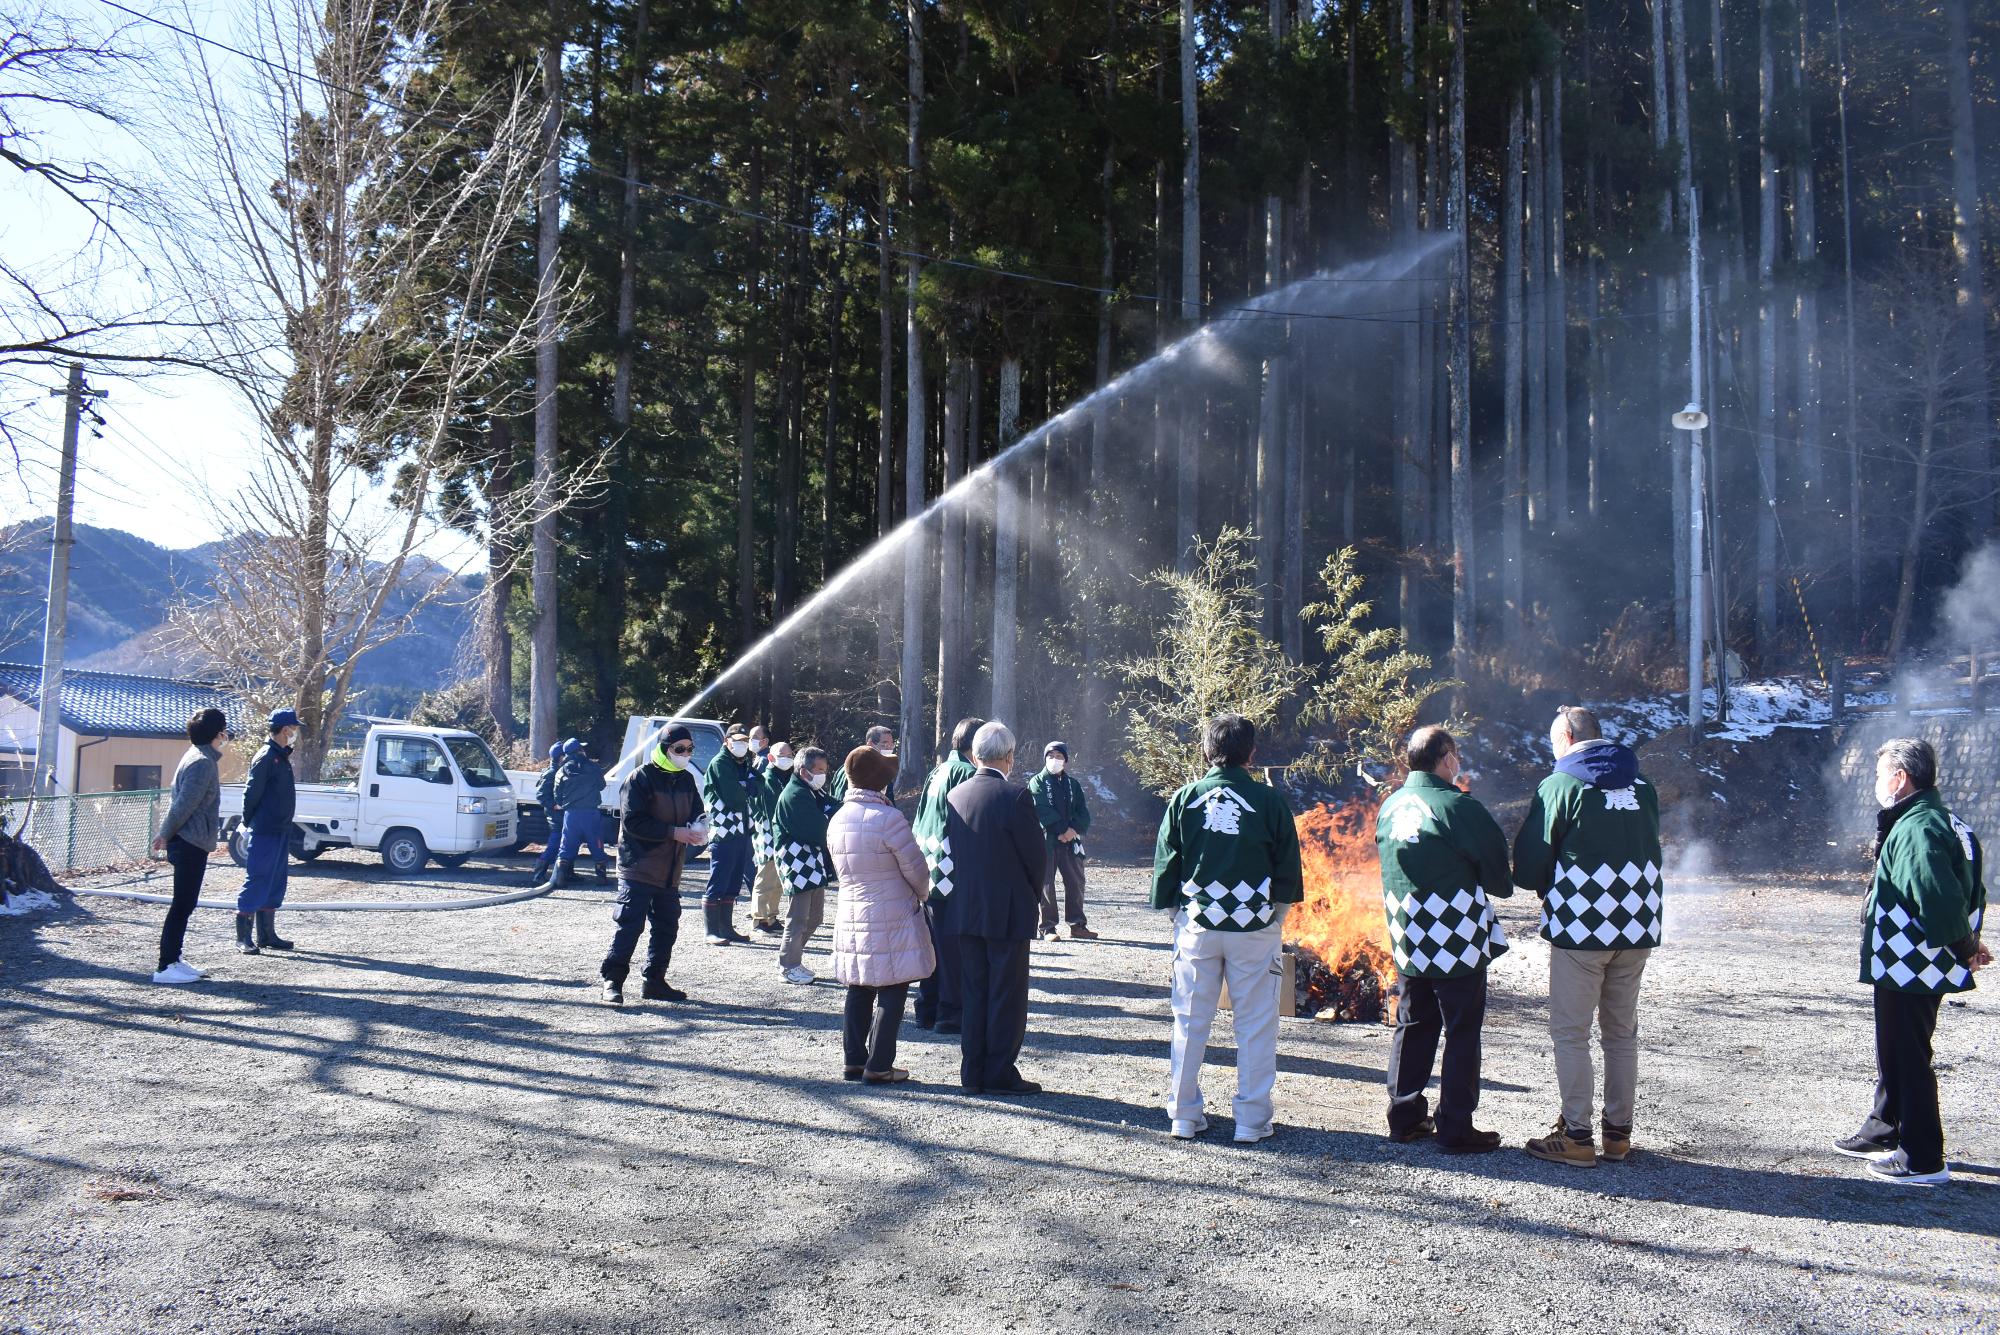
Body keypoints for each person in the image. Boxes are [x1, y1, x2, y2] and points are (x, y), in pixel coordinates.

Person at [1511, 705, 1665, 1168]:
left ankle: (1576, 1135)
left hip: (1582, 928)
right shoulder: (1642, 784)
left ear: (1566, 735)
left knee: (1571, 1032)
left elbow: (1534, 855)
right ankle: (1618, 1135)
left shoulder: (1561, 785)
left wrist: (1542, 885)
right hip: (1637, 923)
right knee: (1621, 1033)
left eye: (1552, 741)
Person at [1835, 738, 1989, 1185]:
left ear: (1900, 777)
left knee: (1908, 1053)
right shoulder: (1943, 820)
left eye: (1881, 772)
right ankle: (1886, 1126)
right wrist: (1969, 942)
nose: (1877, 781)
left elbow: (1937, 895)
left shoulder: (1919, 827)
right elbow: (1972, 889)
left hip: (1912, 961)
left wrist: (1965, 946)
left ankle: (1922, 1158)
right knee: (1896, 1047)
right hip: (1916, 960)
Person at [1151, 714, 1303, 1142]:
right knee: (1255, 1022)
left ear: (1206, 749)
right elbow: (1288, 865)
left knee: (1189, 1020)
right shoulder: (1269, 802)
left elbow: (1167, 862)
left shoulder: (1184, 798)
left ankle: (1183, 1114)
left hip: (1198, 922)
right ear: (1251, 754)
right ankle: (1252, 1121)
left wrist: (1174, 913)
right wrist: (1278, 914)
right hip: (1253, 924)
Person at [1376, 724, 1513, 1154]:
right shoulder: (1457, 806)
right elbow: (1499, 875)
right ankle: (1455, 1126)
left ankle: (1404, 1115)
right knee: (1461, 1027)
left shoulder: (1391, 805)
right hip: (1454, 931)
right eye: (1456, 756)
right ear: (1447, 758)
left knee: (1412, 1022)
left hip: (1406, 929)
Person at [940, 721, 1047, 1096]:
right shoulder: (1016, 796)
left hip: (966, 907)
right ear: (1009, 756)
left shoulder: (956, 794)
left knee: (974, 990)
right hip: (1007, 908)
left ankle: (972, 1070)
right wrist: (1034, 897)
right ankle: (999, 1069)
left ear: (974, 755)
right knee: (1007, 993)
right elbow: (1036, 858)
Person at [827, 745, 936, 1084]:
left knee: (858, 985)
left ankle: (853, 1060)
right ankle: (880, 1064)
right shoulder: (889, 819)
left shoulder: (838, 818)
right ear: (881, 782)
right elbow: (916, 869)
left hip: (851, 911)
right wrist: (922, 895)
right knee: (894, 985)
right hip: (892, 912)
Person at [601, 724, 708, 1005]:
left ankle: (655, 980)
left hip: (670, 870)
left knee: (667, 926)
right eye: (679, 749)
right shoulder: (639, 778)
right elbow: (633, 822)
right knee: (629, 924)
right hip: (638, 866)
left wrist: (699, 826)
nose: (686, 754)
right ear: (663, 749)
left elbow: (698, 809)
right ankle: (613, 980)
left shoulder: (685, 780)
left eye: (689, 749)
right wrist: (675, 832)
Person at [912, 717, 984, 1033]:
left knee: (933, 946)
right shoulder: (967, 773)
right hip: (950, 871)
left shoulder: (937, 770)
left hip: (928, 868)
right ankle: (950, 1013)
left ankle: (927, 1008)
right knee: (954, 949)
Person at [149, 707, 229, 984]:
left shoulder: (196, 756)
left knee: (185, 903)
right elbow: (184, 804)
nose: (226, 734)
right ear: (218, 733)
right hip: (189, 840)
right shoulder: (202, 762)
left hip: (188, 839)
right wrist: (164, 833)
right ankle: (165, 966)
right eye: (224, 729)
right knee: (182, 904)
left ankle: (174, 958)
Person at [236, 707, 302, 956]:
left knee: (275, 881)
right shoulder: (266, 756)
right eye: (293, 728)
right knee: (258, 878)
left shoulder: (281, 756)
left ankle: (266, 934)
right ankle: (243, 937)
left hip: (280, 828)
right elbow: (251, 792)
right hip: (265, 829)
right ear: (285, 729)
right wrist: (247, 821)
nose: (295, 732)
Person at [774, 747, 840, 983]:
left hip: (812, 863)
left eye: (825, 770)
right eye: (819, 770)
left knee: (815, 916)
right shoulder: (794, 795)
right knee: (799, 917)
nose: (823, 774)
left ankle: (791, 957)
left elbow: (833, 807)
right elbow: (817, 831)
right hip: (797, 863)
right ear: (804, 771)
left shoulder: (812, 791)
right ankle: (787, 965)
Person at [1027, 740, 1098, 942]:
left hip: (1070, 841)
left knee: (1076, 882)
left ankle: (1077, 925)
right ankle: (1048, 927)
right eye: (1050, 756)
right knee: (1046, 884)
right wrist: (1061, 829)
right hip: (1047, 841)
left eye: (1059, 757)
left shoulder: (1072, 784)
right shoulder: (1037, 782)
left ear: (1065, 761)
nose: (1054, 760)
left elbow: (1082, 812)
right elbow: (1040, 809)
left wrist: (1073, 830)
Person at [700, 724, 759, 945]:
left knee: (734, 880)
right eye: (738, 740)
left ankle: (726, 928)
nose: (743, 745)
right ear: (727, 741)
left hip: (742, 829)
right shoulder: (720, 763)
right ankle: (711, 930)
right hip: (724, 831)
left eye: (745, 741)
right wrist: (747, 785)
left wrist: (747, 784)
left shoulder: (742, 763)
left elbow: (758, 786)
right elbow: (735, 797)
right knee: (719, 878)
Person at [544, 738, 610, 888]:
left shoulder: (562, 770)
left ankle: (560, 878)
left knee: (566, 845)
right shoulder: (593, 767)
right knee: (596, 844)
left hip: (571, 814)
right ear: (580, 750)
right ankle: (601, 878)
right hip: (591, 813)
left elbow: (557, 795)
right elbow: (601, 786)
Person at [748, 741, 794, 935]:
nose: (786, 758)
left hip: (781, 834)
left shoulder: (787, 778)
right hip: (767, 835)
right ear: (771, 757)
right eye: (781, 755)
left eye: (789, 755)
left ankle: (772, 916)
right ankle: (759, 919)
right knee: (765, 878)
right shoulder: (767, 779)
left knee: (777, 880)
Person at [529, 741, 567, 885]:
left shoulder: (559, 771)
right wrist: (554, 805)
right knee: (555, 844)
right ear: (561, 757)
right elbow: (541, 795)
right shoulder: (551, 773)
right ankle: (539, 873)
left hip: (561, 814)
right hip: (556, 816)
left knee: (568, 844)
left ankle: (567, 873)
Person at [829, 725, 897, 802]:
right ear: (870, 744)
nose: (889, 749)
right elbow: (842, 801)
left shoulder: (882, 769)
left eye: (891, 745)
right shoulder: (857, 769)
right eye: (885, 744)